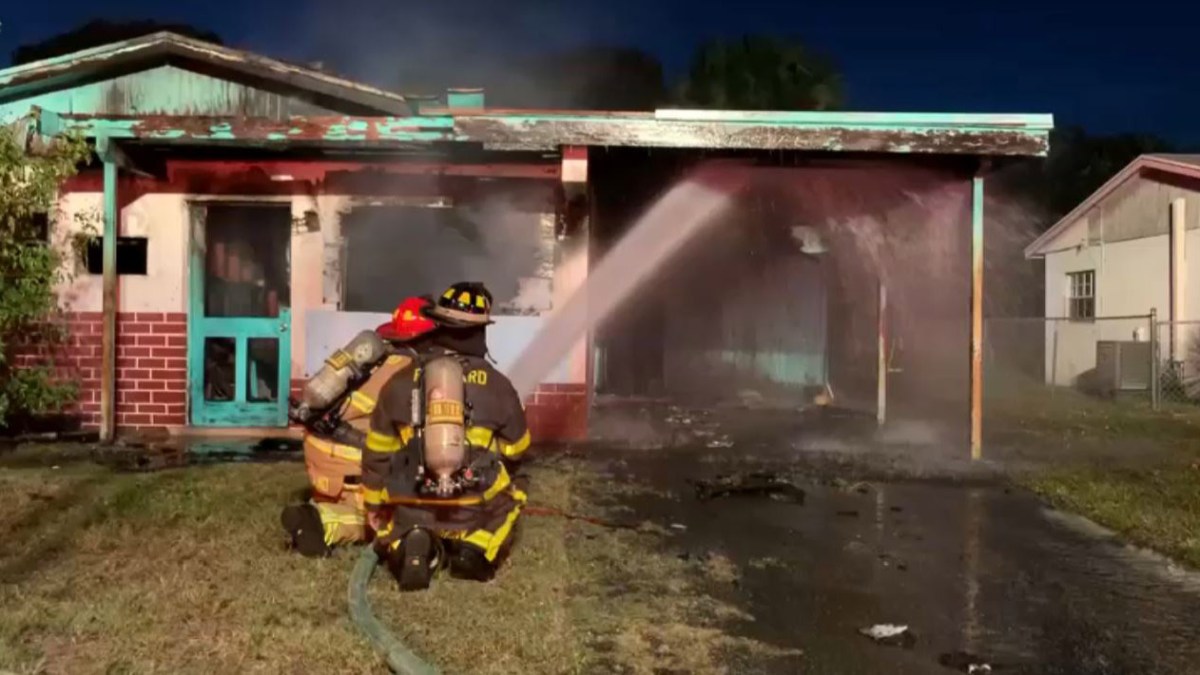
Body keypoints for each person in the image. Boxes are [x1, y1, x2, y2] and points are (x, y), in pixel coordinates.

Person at [363, 281, 531, 591]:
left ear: (438, 325)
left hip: (410, 499)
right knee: (512, 498)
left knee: (399, 522)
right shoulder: (498, 385)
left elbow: (377, 451)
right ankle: (475, 549)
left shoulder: (398, 382)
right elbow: (518, 448)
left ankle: (408, 544)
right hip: (470, 505)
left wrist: (374, 505)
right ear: (481, 331)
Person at [281, 296, 440, 558]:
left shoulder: (380, 360)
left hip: (322, 452)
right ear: (428, 337)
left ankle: (325, 506)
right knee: (393, 519)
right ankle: (325, 521)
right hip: (350, 461)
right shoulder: (409, 373)